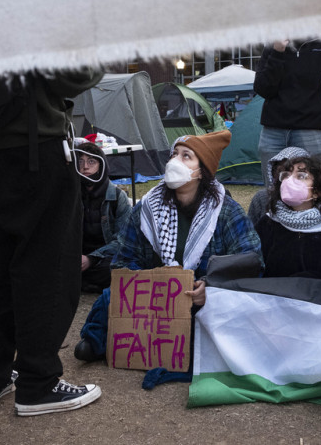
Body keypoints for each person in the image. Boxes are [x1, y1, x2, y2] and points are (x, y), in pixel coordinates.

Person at [0, 68, 104, 417]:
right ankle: (38, 385)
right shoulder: (30, 15)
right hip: (37, 147)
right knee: (47, 270)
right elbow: (71, 75)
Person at [74, 130, 262, 361]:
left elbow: (250, 259)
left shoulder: (225, 211)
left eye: (186, 156)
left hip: (201, 297)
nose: (175, 161)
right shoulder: (147, 209)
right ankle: (98, 341)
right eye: (173, 154)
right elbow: (123, 259)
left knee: (221, 312)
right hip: (153, 297)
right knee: (109, 296)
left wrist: (211, 287)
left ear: (202, 170)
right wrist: (148, 282)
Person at [255, 155, 321, 287]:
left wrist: (307, 281)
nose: (289, 180)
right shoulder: (268, 223)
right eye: (286, 175)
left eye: (301, 176)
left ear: (317, 191)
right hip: (275, 299)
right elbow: (255, 268)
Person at [254, 36, 321, 186]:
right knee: (273, 188)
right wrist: (277, 52)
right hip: (273, 131)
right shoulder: (273, 45)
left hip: (311, 131)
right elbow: (263, 89)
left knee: (313, 187)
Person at [75, 141, 131, 292]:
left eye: (91, 161)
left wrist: (92, 259)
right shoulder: (71, 196)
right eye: (80, 161)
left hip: (104, 256)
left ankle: (83, 283)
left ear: (101, 165)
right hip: (77, 256)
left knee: (120, 267)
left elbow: (123, 239)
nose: (85, 167)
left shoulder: (118, 197)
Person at [247, 146, 310, 226]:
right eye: (284, 174)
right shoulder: (262, 198)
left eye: (300, 175)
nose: (290, 180)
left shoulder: (319, 205)